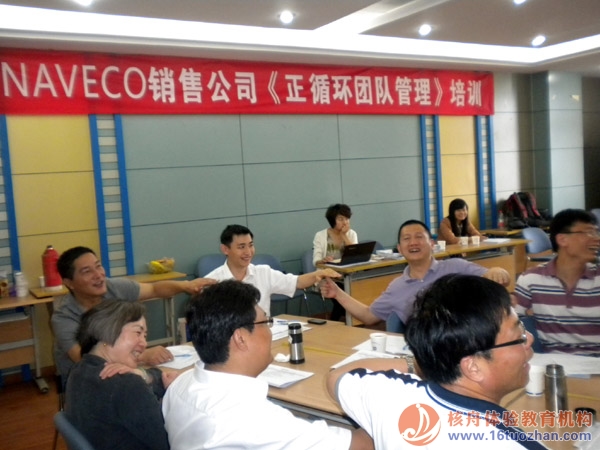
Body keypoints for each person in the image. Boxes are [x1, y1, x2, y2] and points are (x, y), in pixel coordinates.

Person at [327, 274, 544, 449]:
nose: (529, 339)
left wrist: (430, 359)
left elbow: (337, 377)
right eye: (519, 336)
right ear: (473, 367)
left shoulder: (391, 396)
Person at [162, 279, 373, 450]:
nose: (270, 331)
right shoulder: (255, 420)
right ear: (241, 338)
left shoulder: (180, 384)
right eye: (266, 322)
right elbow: (360, 446)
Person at [51, 246, 215, 380]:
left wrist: (186, 286)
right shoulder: (63, 317)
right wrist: (141, 355)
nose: (98, 275)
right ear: (69, 283)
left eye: (98, 266)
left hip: (125, 367)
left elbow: (154, 289)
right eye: (87, 271)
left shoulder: (113, 287)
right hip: (86, 379)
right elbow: (85, 359)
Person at [320, 219, 510, 327]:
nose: (413, 243)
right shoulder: (397, 287)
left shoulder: (455, 267)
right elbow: (368, 315)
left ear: (432, 244)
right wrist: (337, 293)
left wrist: (498, 271)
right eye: (407, 239)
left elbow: (495, 278)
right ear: (399, 249)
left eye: (419, 237)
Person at [66, 300, 181, 450]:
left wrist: (142, 375)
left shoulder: (79, 370)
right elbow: (170, 443)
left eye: (145, 336)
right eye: (138, 333)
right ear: (107, 334)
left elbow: (159, 377)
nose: (144, 344)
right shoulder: (125, 385)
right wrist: (176, 397)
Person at [514, 208, 600, 355]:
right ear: (562, 239)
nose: (597, 239)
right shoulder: (531, 280)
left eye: (596, 232)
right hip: (554, 364)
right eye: (589, 232)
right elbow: (513, 324)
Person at [205, 224, 341, 315]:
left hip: (263, 333)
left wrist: (319, 273)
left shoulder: (263, 272)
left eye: (250, 245)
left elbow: (297, 282)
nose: (248, 252)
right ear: (225, 249)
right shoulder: (212, 282)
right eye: (241, 247)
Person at [313, 203, 358, 321]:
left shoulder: (351, 234)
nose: (345, 222)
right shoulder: (321, 235)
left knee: (351, 292)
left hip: (347, 276)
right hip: (326, 277)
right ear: (333, 220)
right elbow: (316, 261)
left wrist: (344, 236)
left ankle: (337, 324)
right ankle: (349, 321)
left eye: (347, 219)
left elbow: (356, 255)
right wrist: (322, 260)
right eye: (341, 219)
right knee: (341, 296)